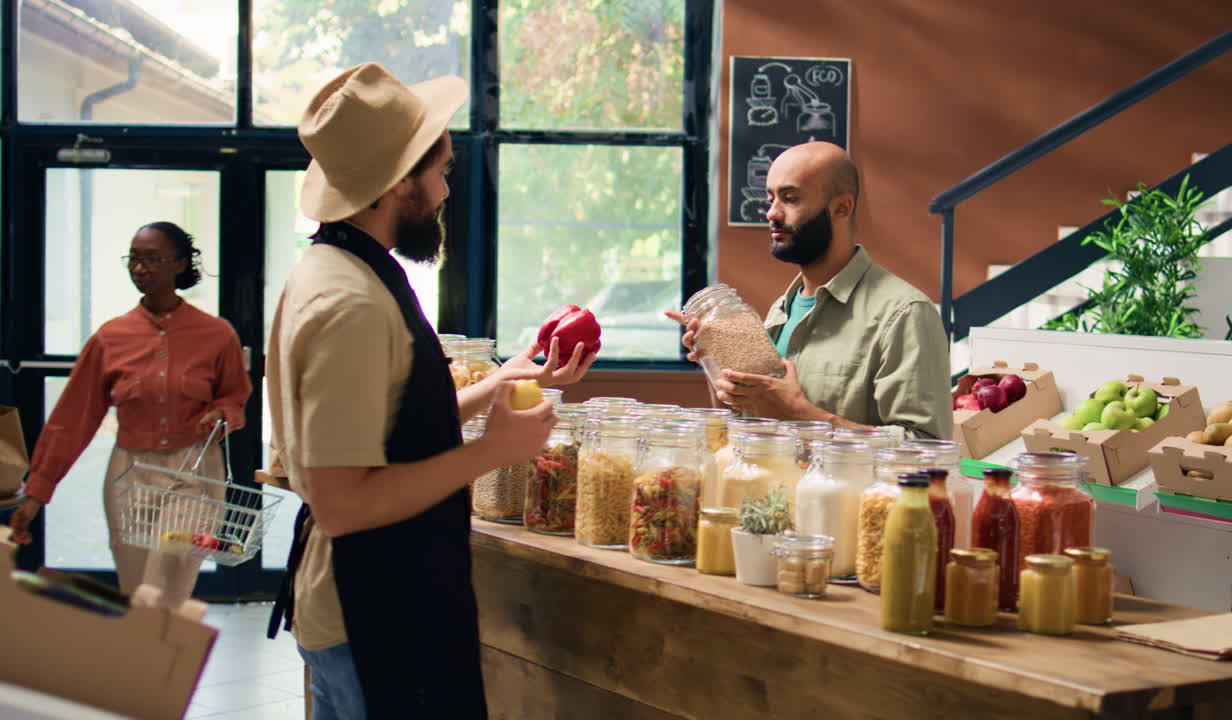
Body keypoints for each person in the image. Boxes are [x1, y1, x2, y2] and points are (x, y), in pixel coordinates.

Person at [264, 63, 595, 720]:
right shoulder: (352, 304)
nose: (446, 191)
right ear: (396, 183)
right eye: (441, 172)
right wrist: (490, 452)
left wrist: (500, 382)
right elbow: (342, 503)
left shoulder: (337, 267)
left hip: (362, 606)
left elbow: (389, 425)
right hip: (371, 615)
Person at [8, 221, 251, 608]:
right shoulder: (110, 338)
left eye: (152, 259)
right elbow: (71, 420)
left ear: (179, 264)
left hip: (195, 474)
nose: (139, 268)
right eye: (134, 259)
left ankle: (161, 644)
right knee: (135, 590)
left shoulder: (217, 334)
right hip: (129, 475)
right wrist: (36, 493)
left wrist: (222, 413)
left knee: (165, 581)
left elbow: (234, 396)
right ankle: (152, 649)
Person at [667, 142, 952, 440]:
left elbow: (927, 448)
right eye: (770, 199)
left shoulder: (904, 314)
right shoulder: (781, 309)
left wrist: (801, 415)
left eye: (790, 199)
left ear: (841, 207)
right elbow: (747, 426)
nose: (772, 213)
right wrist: (716, 367)